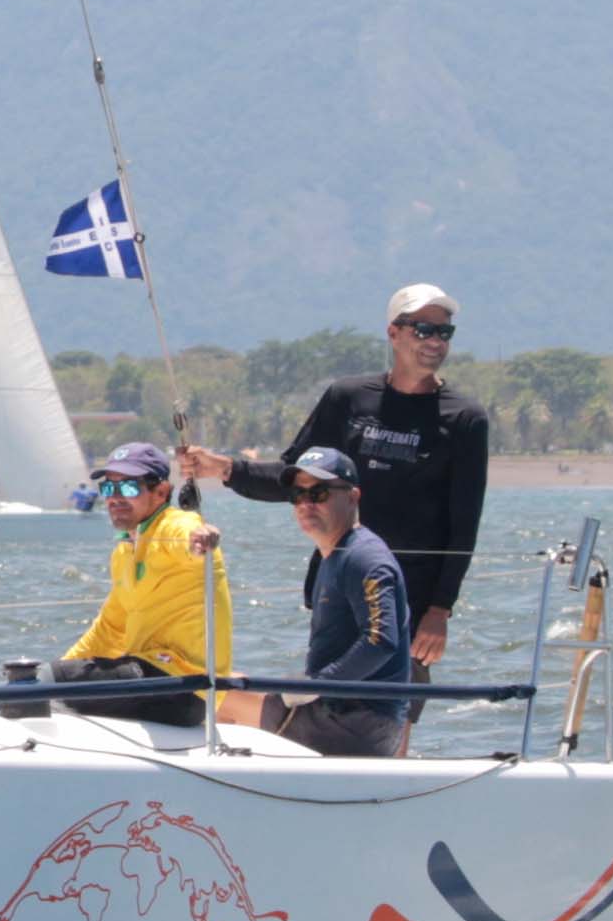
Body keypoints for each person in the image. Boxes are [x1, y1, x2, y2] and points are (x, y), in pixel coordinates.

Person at [181, 281, 488, 678]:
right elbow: (295, 479)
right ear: (393, 332)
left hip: (411, 594)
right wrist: (224, 468)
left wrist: (440, 609)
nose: (435, 341)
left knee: (394, 704)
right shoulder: (348, 398)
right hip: (340, 583)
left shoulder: (464, 418)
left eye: (444, 332)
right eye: (423, 329)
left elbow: (464, 523)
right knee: (327, 690)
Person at [244, 446, 413, 759]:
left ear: (353, 497)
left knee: (217, 696)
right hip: (335, 710)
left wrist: (318, 685)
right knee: (227, 684)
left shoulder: (364, 557)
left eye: (318, 493)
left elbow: (381, 640)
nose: (306, 504)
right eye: (298, 495)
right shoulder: (334, 554)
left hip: (357, 723)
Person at [48, 441, 229, 724]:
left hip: (185, 685)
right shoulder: (124, 552)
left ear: (161, 492)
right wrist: (63, 666)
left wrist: (199, 540)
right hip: (152, 680)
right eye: (109, 488)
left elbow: (187, 534)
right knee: (35, 681)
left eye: (129, 487)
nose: (115, 497)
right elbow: (110, 630)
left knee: (45, 682)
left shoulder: (173, 525)